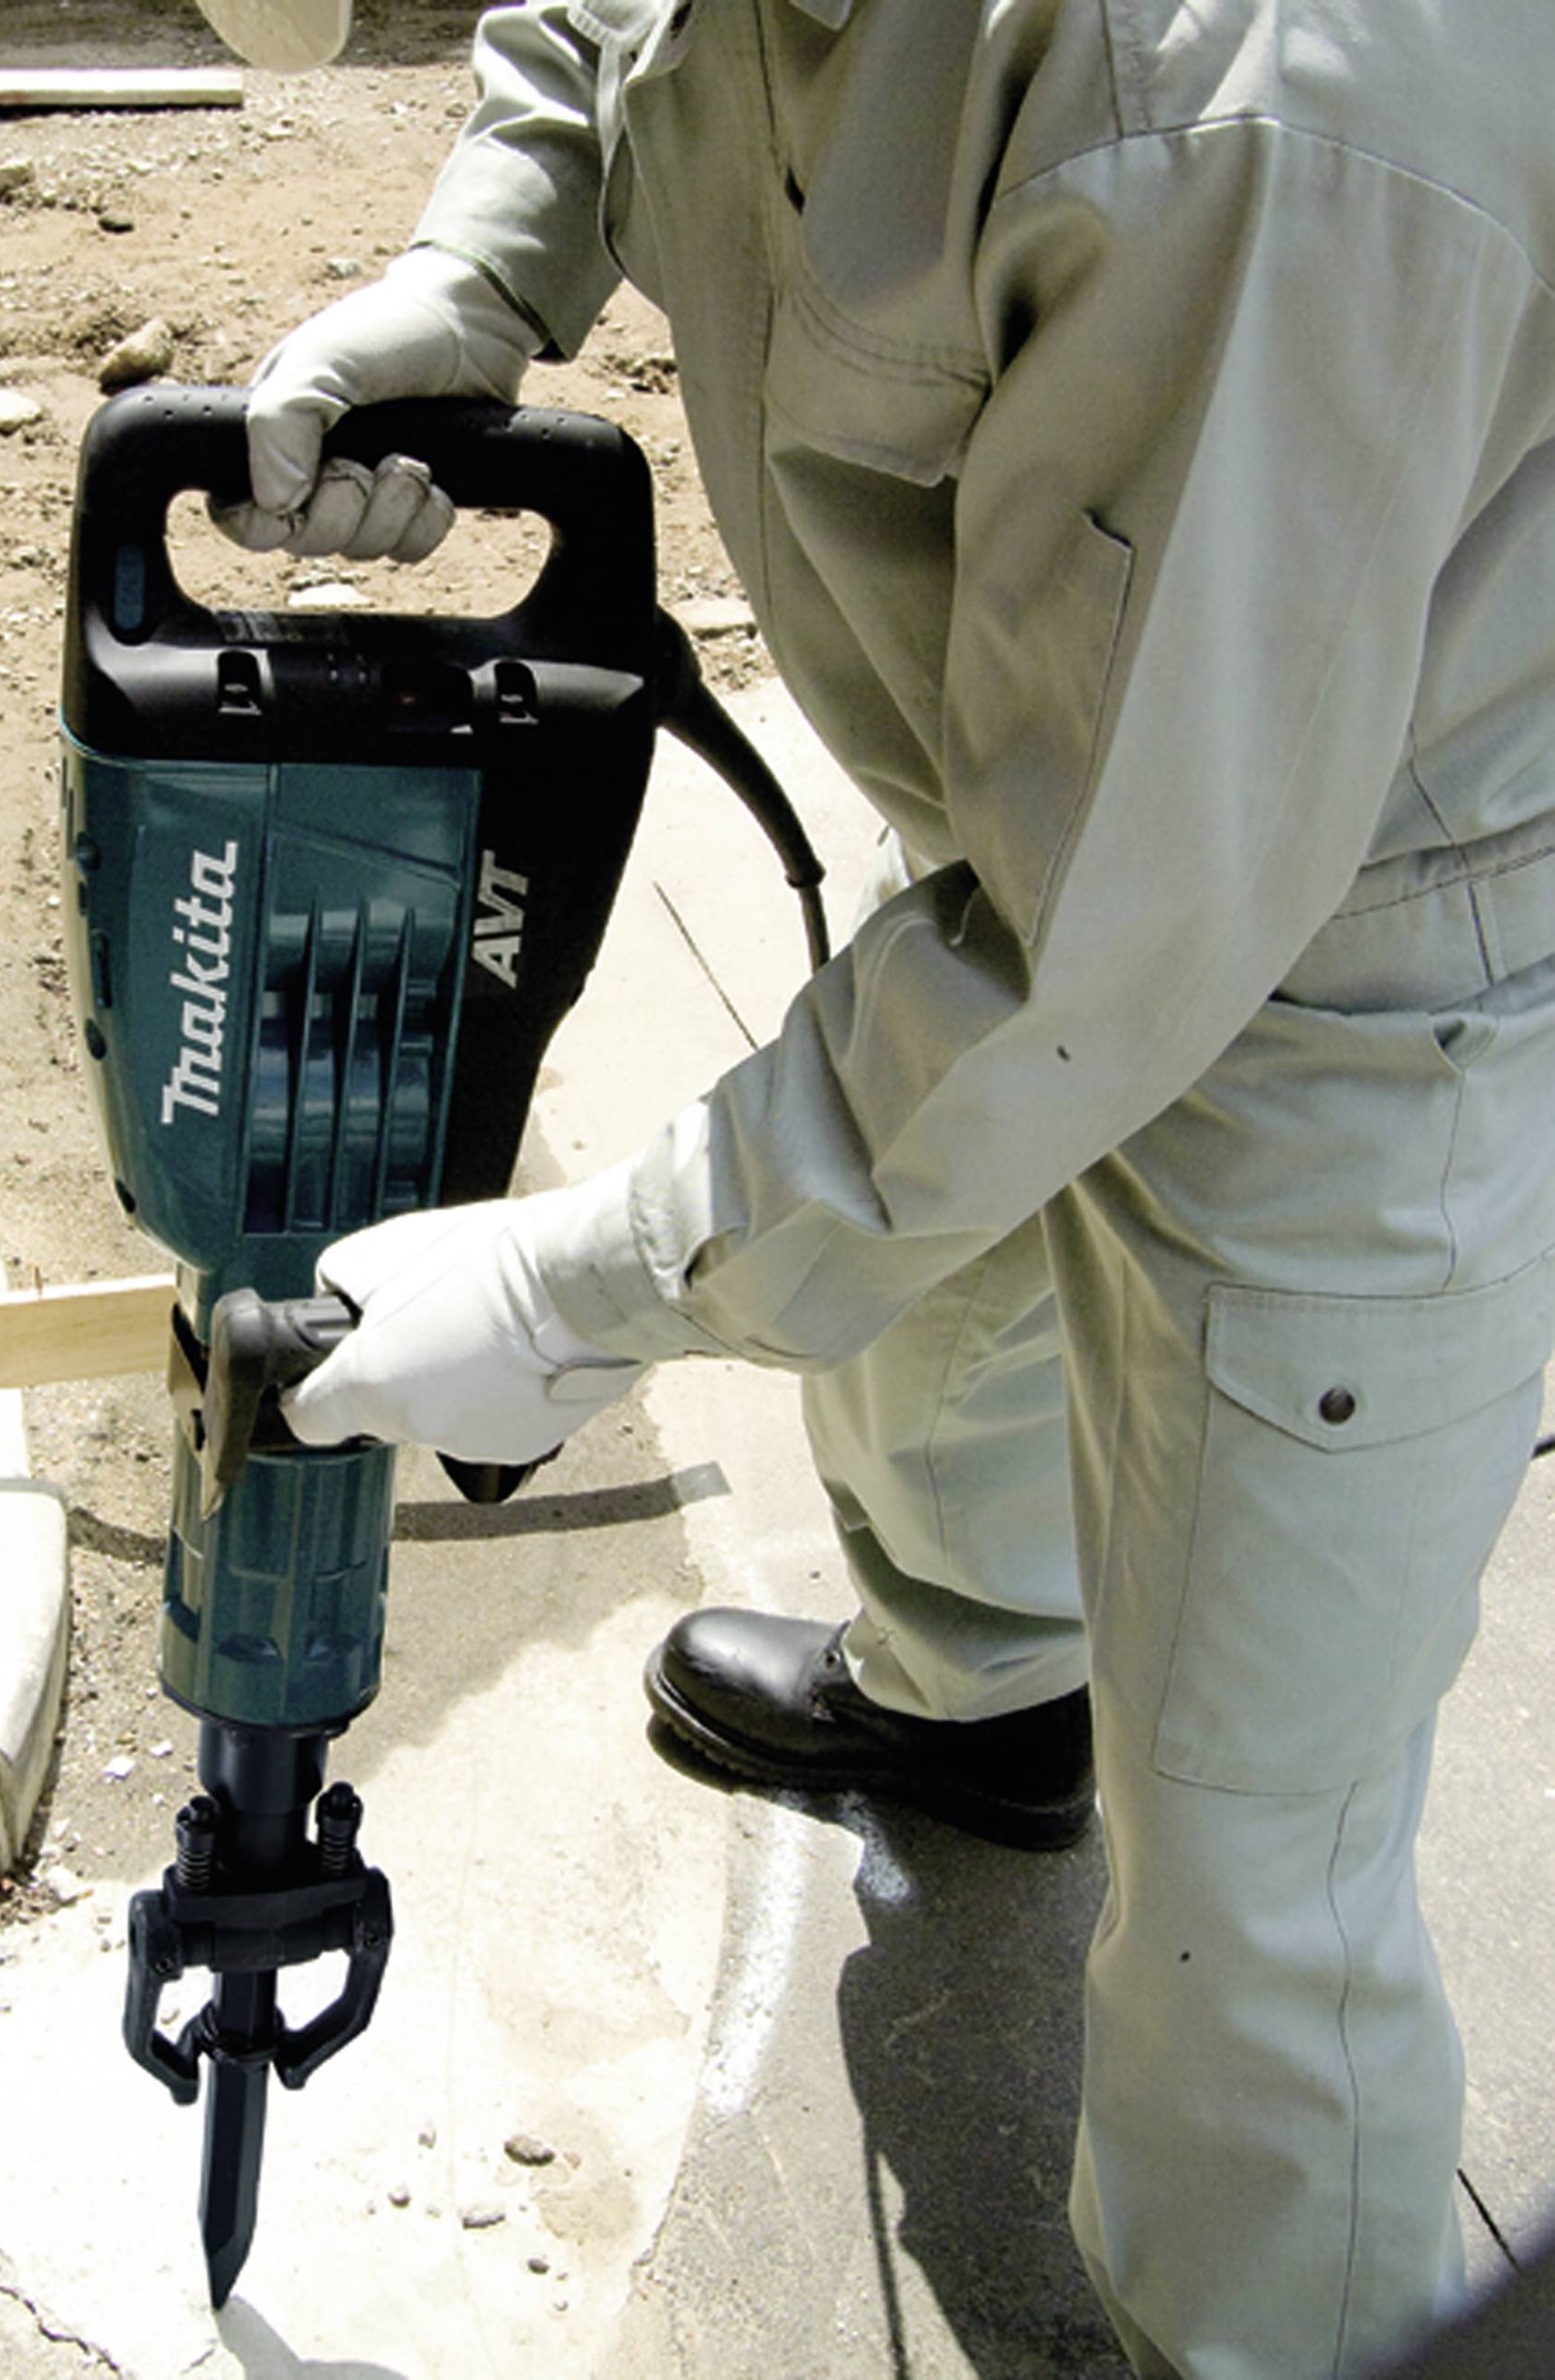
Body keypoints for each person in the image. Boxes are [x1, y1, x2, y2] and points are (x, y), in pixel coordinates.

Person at [195, 3, 1555, 2375]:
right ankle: (973, 1699)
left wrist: (575, 1285)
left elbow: (1095, 950)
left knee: (1259, 1873)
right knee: (938, 1290)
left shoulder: (1249, 101)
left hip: (1367, 945)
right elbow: (596, 24)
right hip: (1045, 794)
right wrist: (494, 257)